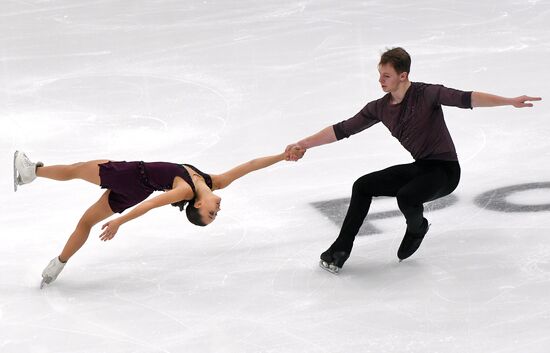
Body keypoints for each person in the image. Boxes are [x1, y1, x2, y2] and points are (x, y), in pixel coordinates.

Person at [285, 47, 541, 274]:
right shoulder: (379, 107)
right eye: (380, 74)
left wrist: (508, 101)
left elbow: (467, 98)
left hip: (445, 171)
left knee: (407, 197)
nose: (380, 80)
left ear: (402, 75)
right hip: (422, 168)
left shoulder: (427, 94)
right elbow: (342, 129)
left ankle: (417, 228)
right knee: (363, 185)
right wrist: (303, 144)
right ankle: (340, 250)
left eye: (386, 75)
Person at [13, 147, 304, 287]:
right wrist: (283, 156)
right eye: (216, 213)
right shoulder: (213, 181)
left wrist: (119, 222)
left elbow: (150, 207)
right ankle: (57, 264)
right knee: (86, 222)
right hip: (134, 190)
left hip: (131, 176)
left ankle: (31, 172)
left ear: (198, 205)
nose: (218, 209)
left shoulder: (184, 191)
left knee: (78, 169)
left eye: (211, 214)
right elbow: (251, 165)